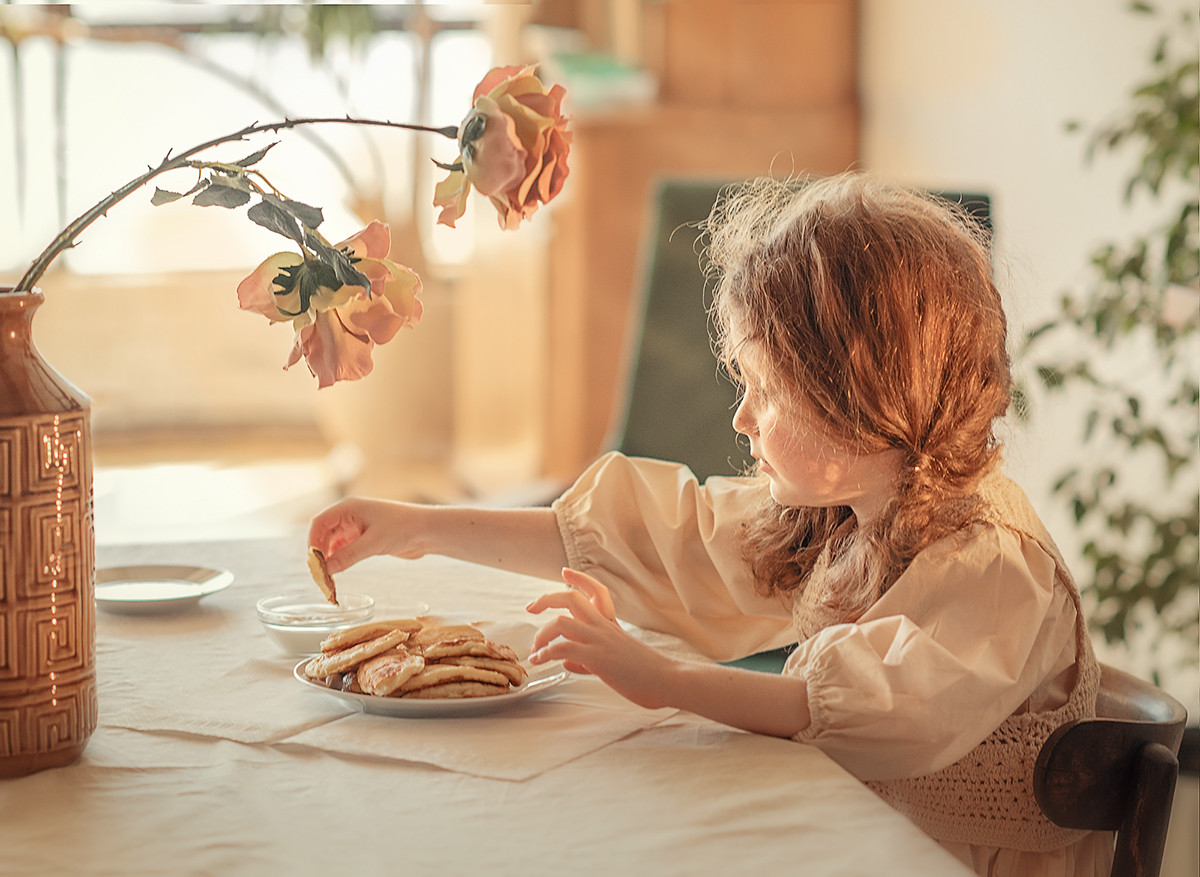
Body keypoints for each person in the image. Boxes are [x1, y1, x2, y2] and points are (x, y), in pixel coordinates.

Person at [307, 172, 1109, 877]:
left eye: (767, 390)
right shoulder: (846, 509)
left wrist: (662, 680)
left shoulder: (995, 567)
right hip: (847, 834)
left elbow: (870, 708)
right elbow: (655, 536)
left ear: (859, 397)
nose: (742, 417)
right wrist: (419, 526)